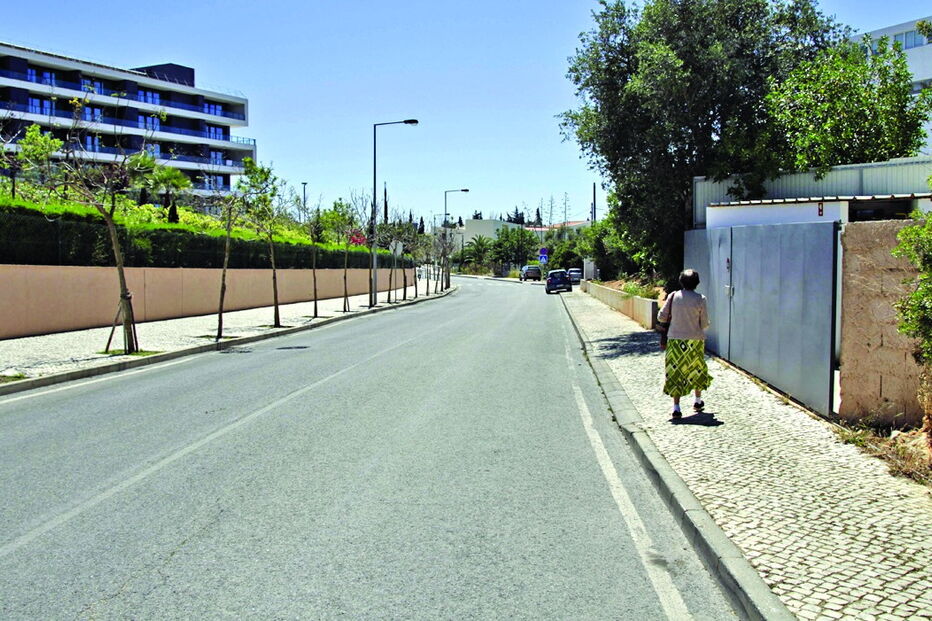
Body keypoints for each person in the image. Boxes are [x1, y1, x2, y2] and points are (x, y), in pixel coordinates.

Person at [657, 269, 712, 418]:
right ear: (697, 283)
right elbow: (705, 324)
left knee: (676, 371)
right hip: (695, 341)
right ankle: (698, 400)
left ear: (681, 281)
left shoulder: (673, 296)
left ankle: (676, 407)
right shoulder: (701, 299)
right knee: (697, 369)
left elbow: (661, 317)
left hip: (675, 340)